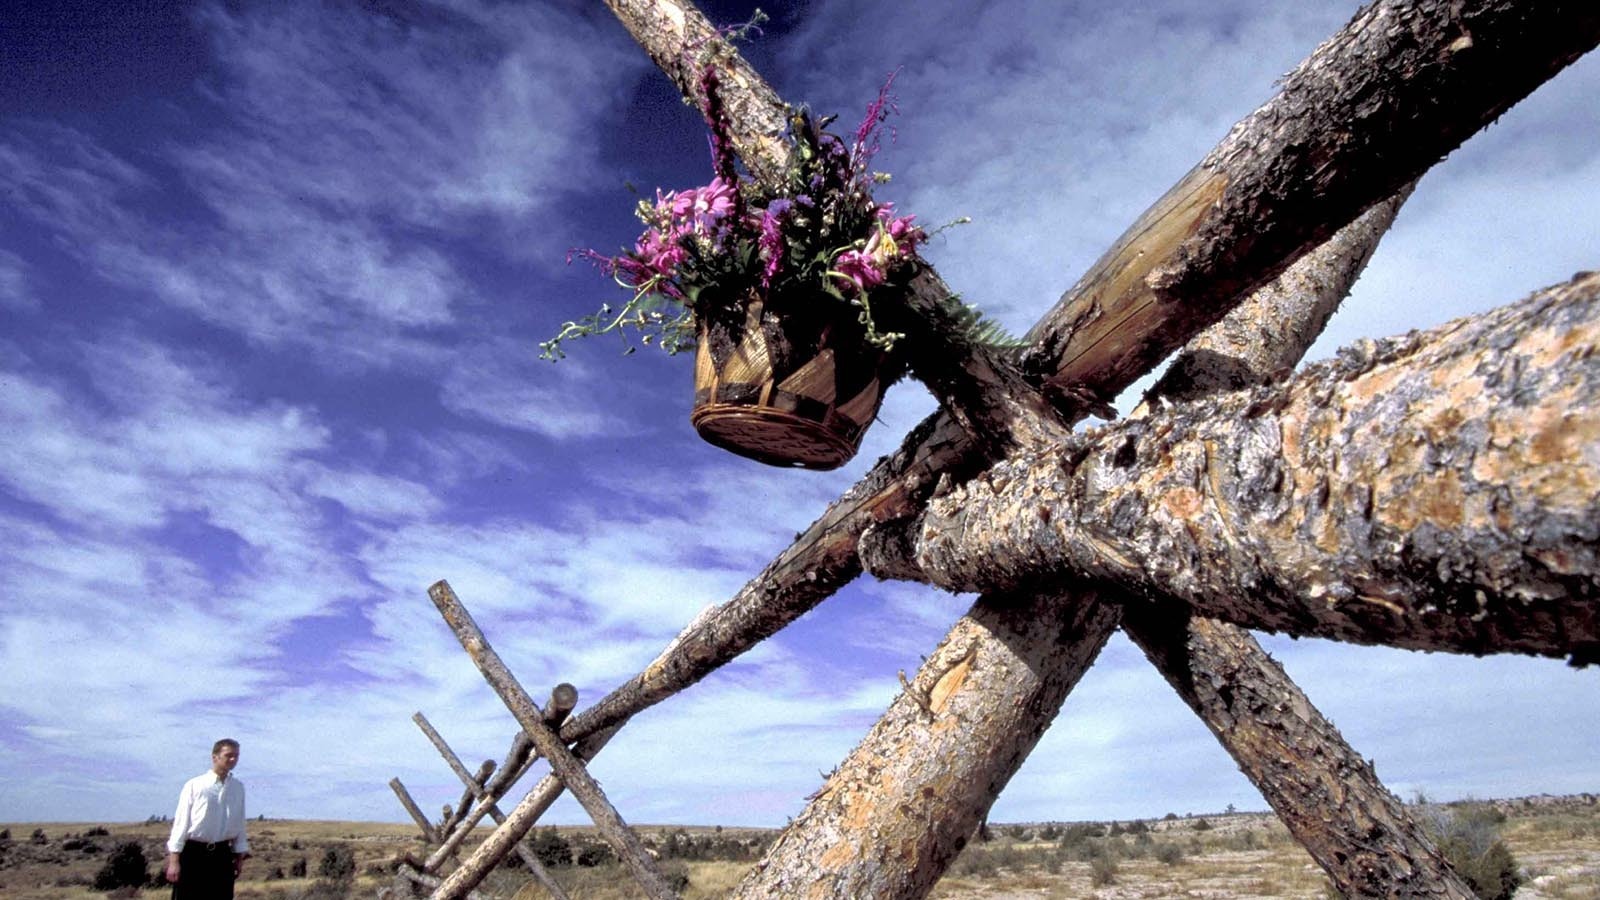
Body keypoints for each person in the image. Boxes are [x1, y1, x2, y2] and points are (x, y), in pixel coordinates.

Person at [165, 739, 251, 899]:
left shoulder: (238, 788)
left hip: (222, 856)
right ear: (215, 757)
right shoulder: (195, 785)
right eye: (228, 755)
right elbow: (180, 824)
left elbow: (239, 823)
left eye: (236, 756)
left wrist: (239, 857)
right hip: (193, 854)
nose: (233, 759)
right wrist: (174, 861)